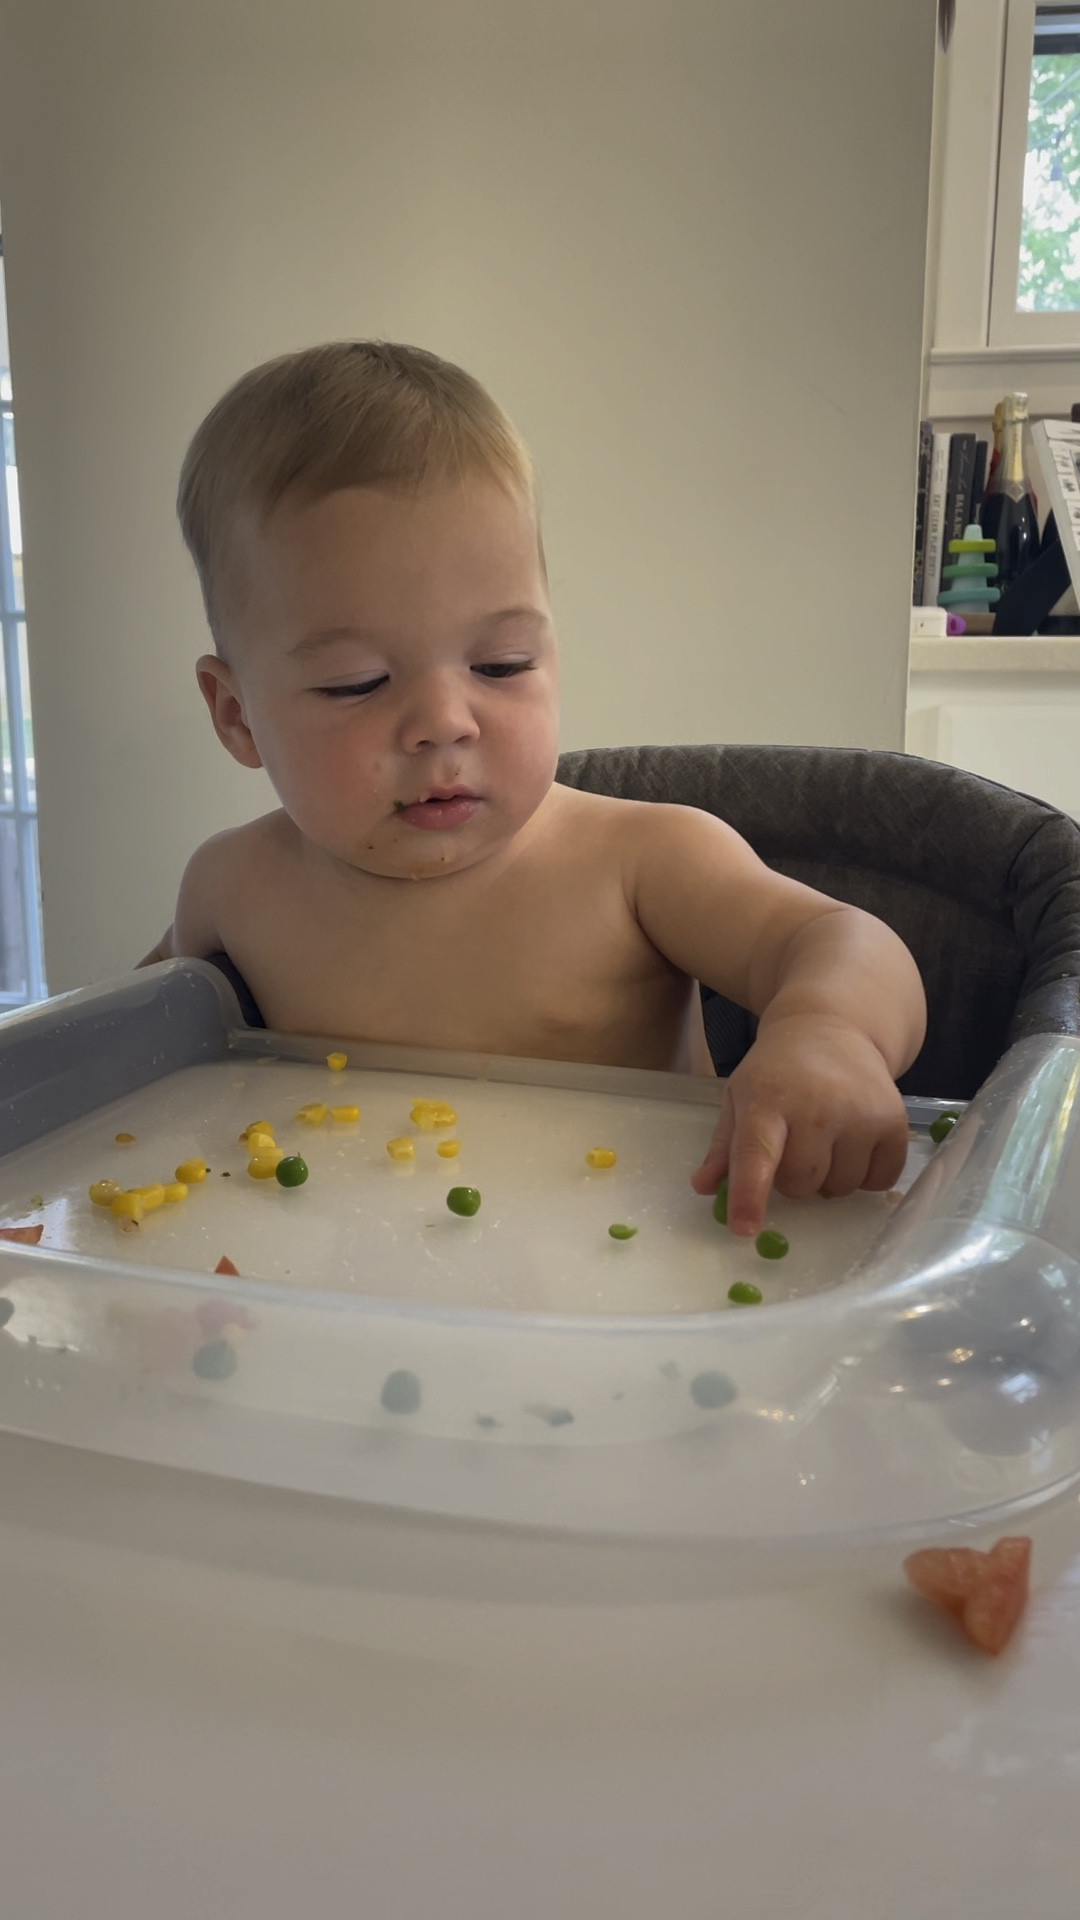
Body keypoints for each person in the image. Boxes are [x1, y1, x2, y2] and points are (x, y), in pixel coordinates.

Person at [141, 341, 926, 1236]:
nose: (445, 720)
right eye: (357, 682)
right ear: (237, 715)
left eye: (501, 663)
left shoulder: (639, 863)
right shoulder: (232, 889)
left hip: (629, 1284)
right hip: (348, 1290)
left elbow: (840, 938)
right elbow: (120, 1049)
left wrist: (829, 1030)